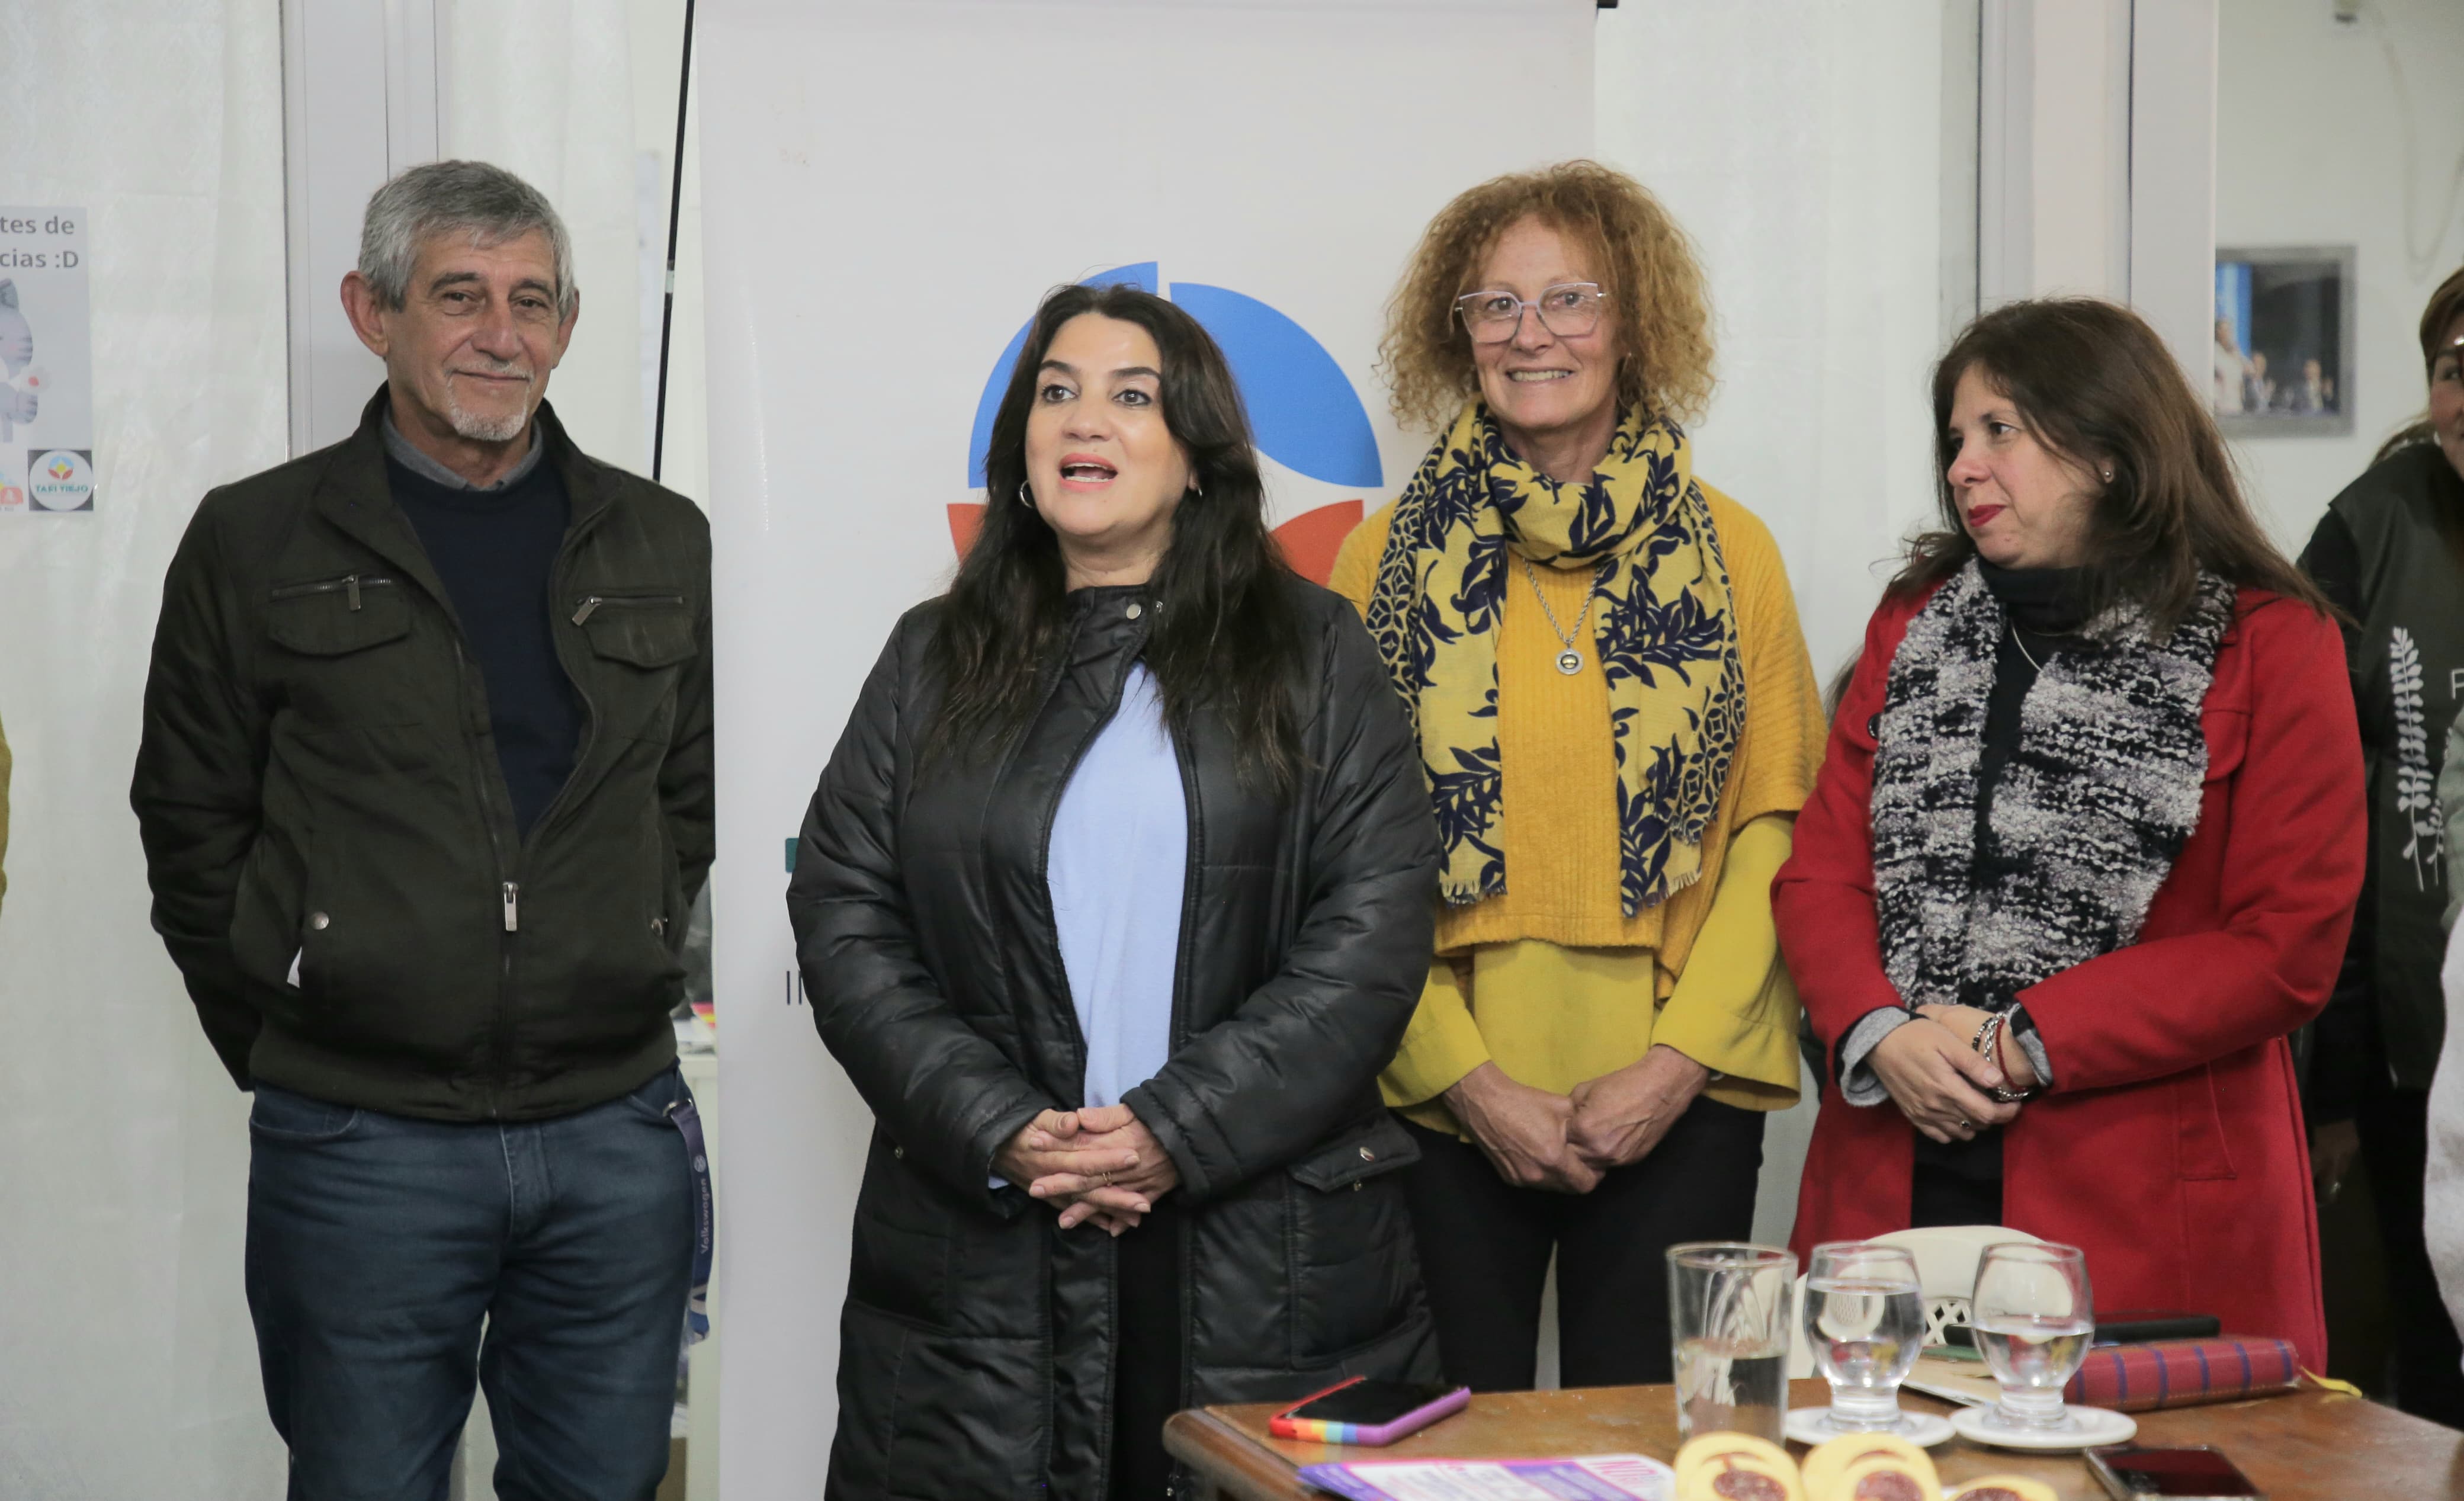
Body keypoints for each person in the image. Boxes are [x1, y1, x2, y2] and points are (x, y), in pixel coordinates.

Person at [787, 282, 1441, 1500]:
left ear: (1197, 455)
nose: (1083, 418)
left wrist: (1172, 1131)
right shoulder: (930, 658)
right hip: (989, 1246)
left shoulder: (1316, 651)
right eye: (1056, 391)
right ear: (1022, 449)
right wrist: (1000, 1123)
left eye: (1131, 395)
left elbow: (1372, 932)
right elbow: (843, 910)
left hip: (1261, 1250)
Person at [130, 161, 711, 1497]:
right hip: (360, 1145)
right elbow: (191, 819)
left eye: (532, 301)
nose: (500, 334)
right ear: (372, 311)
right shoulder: (254, 539)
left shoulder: (661, 540)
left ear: (567, 326)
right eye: (459, 296)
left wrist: (618, 945)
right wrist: (299, 1025)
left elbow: (685, 800)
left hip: (614, 1134)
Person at [1778, 297, 2362, 1372]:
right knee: (1881, 1452)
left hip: (2143, 1204)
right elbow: (1821, 874)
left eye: (2000, 430)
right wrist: (1877, 1029)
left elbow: (2288, 945)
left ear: (2109, 450)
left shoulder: (2275, 641)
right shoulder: (1915, 622)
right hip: (1898, 1168)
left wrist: (2026, 1039)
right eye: (1956, 436)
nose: (1963, 465)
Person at [1329, 160, 1825, 1392]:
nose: (1530, 333)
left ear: (1633, 323)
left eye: (1569, 299)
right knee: (1445, 1459)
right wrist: (1463, 1078)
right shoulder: (1378, 563)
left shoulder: (1736, 552)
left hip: (1683, 1091)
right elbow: (1344, 859)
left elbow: (1776, 830)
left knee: (1669, 1450)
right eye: (1495, 305)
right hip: (1439, 1094)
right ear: (1458, 335)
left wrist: (1676, 1064)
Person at [2298, 264, 2464, 1424]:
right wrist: (2335, 1084)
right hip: (2420, 1043)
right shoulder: (2373, 526)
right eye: (2452, 371)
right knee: (2431, 1357)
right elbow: (2319, 817)